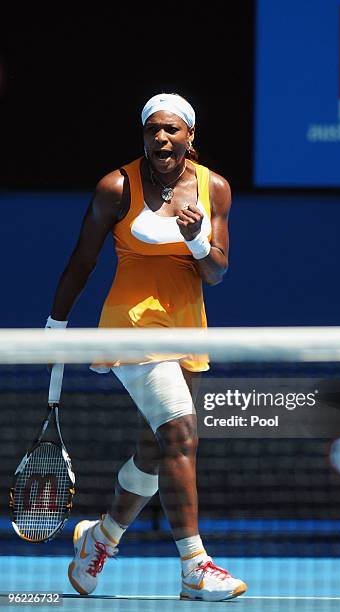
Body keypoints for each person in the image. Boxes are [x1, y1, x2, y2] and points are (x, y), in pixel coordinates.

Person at [46, 93, 247, 602]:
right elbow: (83, 259)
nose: (161, 138)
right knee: (180, 434)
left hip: (186, 326)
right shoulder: (117, 186)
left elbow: (217, 272)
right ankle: (194, 567)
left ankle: (100, 538)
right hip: (132, 324)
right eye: (152, 130)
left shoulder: (214, 189)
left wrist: (200, 240)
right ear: (144, 137)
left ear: (189, 138)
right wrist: (55, 321)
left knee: (156, 452)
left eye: (172, 130)